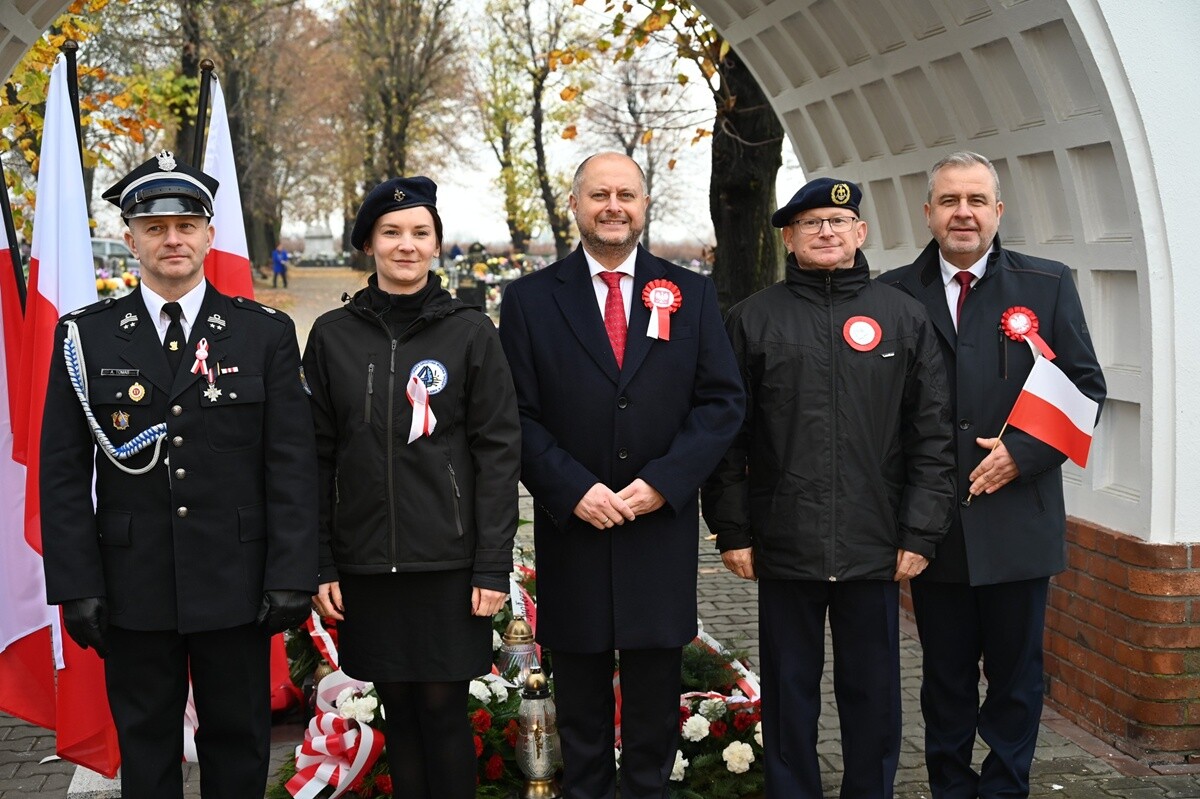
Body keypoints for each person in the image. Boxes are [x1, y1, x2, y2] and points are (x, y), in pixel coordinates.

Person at [39, 150, 318, 799]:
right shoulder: (86, 337)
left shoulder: (262, 334)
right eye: (155, 227)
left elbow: (291, 465)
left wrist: (290, 573)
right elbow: (62, 471)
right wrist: (76, 583)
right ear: (130, 238)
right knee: (147, 749)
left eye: (186, 225)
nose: (173, 239)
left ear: (208, 235)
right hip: (132, 586)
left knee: (239, 745)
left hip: (237, 582)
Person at [498, 152, 744, 799]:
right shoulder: (529, 300)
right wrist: (571, 488)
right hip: (574, 530)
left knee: (654, 707)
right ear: (575, 205)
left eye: (626, 195)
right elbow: (514, 413)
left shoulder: (691, 293)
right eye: (600, 194)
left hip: (656, 531)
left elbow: (721, 402)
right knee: (579, 707)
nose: (613, 206)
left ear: (644, 205)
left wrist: (666, 481)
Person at [702, 177, 956, 799]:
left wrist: (921, 532)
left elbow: (932, 435)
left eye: (838, 222)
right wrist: (732, 531)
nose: (826, 232)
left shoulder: (904, 317)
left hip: (876, 545)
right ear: (789, 238)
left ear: (860, 233)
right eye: (810, 223)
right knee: (789, 692)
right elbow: (726, 438)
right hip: (784, 543)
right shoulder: (752, 320)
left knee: (874, 694)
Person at [879, 151, 1106, 799]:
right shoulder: (892, 293)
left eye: (976, 200)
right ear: (928, 212)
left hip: (1017, 522)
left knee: (1016, 679)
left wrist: (1023, 452)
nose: (964, 213)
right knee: (945, 680)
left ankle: (1005, 789)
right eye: (950, 201)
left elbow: (1085, 387)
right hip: (934, 527)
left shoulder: (1047, 284)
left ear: (998, 211)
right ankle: (950, 788)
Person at [304, 176, 521, 799]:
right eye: (392, 232)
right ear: (368, 244)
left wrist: (491, 564)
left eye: (420, 233)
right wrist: (321, 560)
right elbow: (315, 455)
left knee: (443, 711)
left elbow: (498, 452)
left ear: (436, 244)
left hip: (448, 563)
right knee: (397, 711)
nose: (407, 245)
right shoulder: (332, 335)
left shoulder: (471, 333)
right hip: (366, 562)